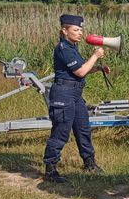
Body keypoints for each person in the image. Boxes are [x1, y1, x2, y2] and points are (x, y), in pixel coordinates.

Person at [43, 14, 109, 183]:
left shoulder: (72, 47)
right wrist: (95, 56)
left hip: (75, 94)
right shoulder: (63, 49)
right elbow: (80, 72)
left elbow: (82, 68)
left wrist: (98, 68)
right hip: (63, 93)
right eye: (76, 29)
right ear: (65, 31)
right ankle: (50, 169)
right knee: (61, 132)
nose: (80, 32)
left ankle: (89, 163)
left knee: (83, 128)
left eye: (81, 29)